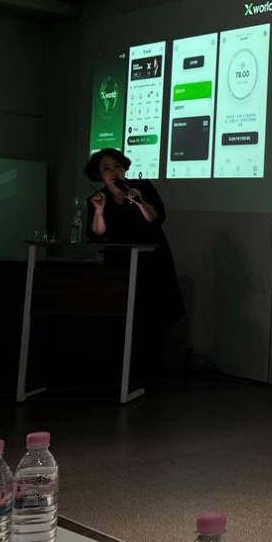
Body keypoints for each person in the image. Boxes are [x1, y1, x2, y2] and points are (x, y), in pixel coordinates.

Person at [84, 148, 185, 390]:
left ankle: (150, 378)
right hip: (120, 265)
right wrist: (99, 210)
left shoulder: (142, 187)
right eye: (106, 168)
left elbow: (156, 218)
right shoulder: (98, 198)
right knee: (120, 319)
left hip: (152, 263)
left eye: (117, 166)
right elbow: (97, 234)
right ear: (99, 175)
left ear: (125, 169)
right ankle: (122, 376)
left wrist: (138, 200)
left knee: (152, 319)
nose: (114, 171)